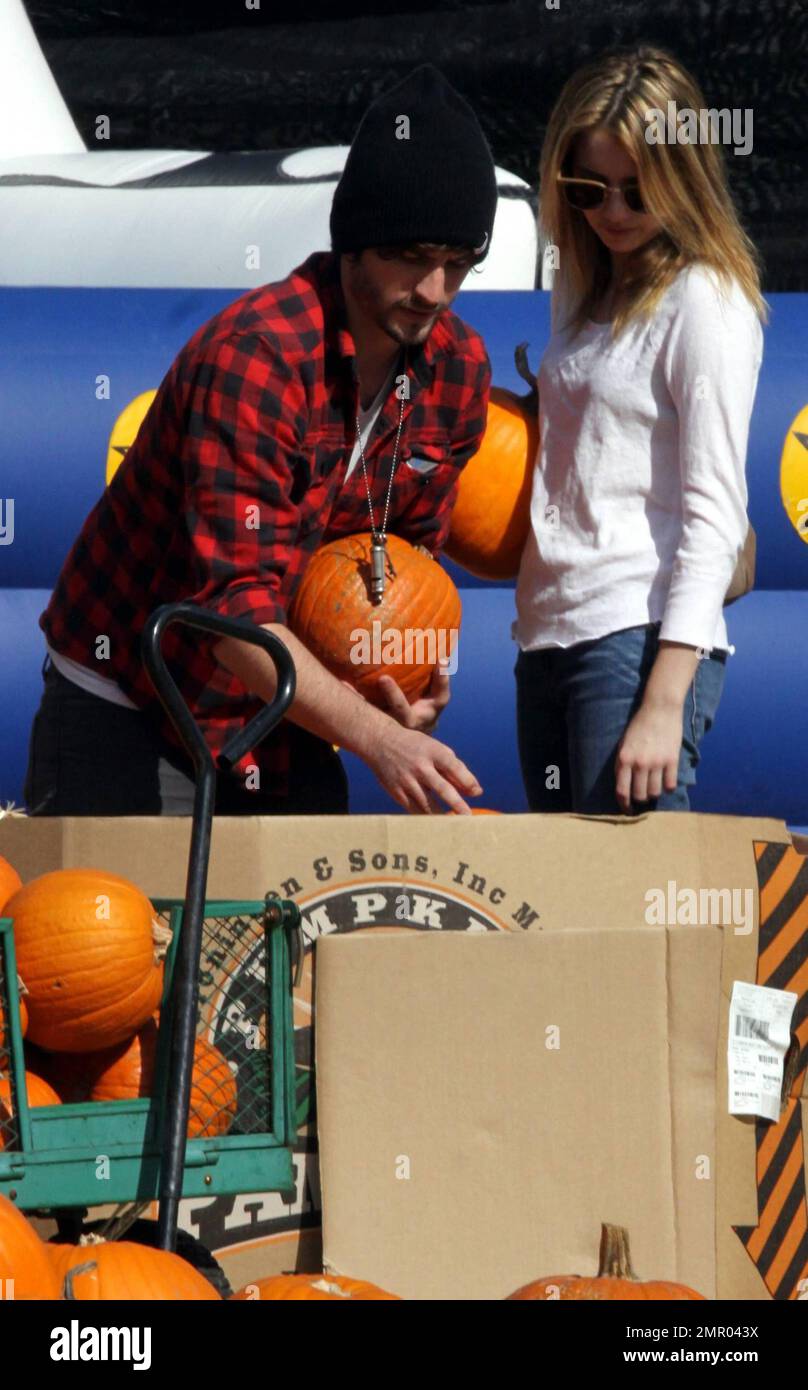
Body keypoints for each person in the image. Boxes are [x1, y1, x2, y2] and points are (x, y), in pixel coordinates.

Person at [24, 64, 496, 818]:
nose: (435, 290)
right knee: (125, 927)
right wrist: (377, 737)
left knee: (292, 928)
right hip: (132, 686)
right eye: (412, 256)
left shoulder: (458, 370)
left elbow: (406, 568)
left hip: (281, 698)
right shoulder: (257, 357)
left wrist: (398, 678)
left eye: (459, 261)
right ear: (355, 241)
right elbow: (231, 613)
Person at [513, 45, 767, 815]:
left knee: (629, 908)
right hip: (548, 635)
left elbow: (716, 514)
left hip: (637, 638)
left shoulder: (704, 299)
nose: (613, 211)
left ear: (681, 181)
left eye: (638, 190)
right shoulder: (584, 290)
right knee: (562, 907)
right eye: (590, 188)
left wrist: (663, 700)